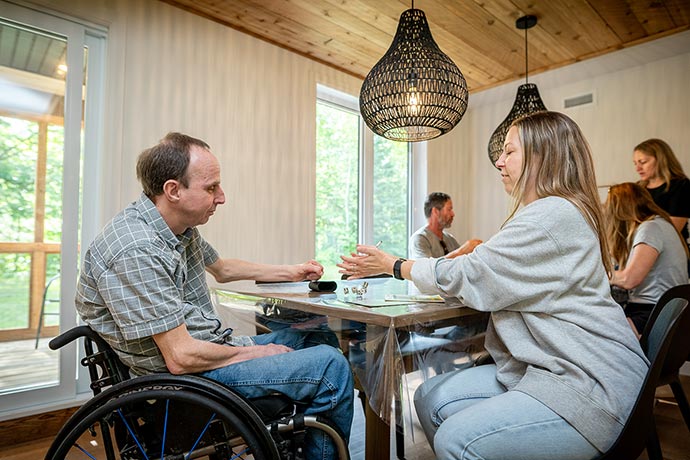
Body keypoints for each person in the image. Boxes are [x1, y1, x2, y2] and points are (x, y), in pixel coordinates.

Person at [338, 112, 647, 459]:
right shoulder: (553, 212)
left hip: (589, 385)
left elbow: (473, 273)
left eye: (509, 152)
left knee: (455, 438)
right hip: (554, 367)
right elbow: (483, 270)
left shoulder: (551, 216)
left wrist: (393, 265)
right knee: (427, 397)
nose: (499, 161)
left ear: (542, 157)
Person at [75, 132, 353, 460]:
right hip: (182, 382)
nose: (221, 197)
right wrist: (255, 354)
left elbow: (222, 268)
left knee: (314, 336)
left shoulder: (176, 230)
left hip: (207, 351)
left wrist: (291, 271)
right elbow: (179, 357)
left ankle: (300, 438)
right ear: (173, 190)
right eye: (211, 188)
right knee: (330, 367)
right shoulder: (137, 249)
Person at [605, 182, 688, 337]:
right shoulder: (659, 224)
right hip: (661, 309)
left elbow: (630, 279)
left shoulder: (651, 228)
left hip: (652, 311)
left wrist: (601, 274)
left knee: (598, 333)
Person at [633, 138, 690, 259]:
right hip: (639, 251)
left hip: (670, 255)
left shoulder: (681, 186)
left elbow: (672, 230)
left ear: (660, 160)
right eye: (635, 163)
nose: (637, 168)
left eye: (642, 162)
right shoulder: (638, 188)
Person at [409, 192, 482, 259]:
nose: (453, 214)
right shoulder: (420, 239)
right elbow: (426, 269)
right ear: (435, 212)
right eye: (449, 209)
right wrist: (461, 252)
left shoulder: (450, 239)